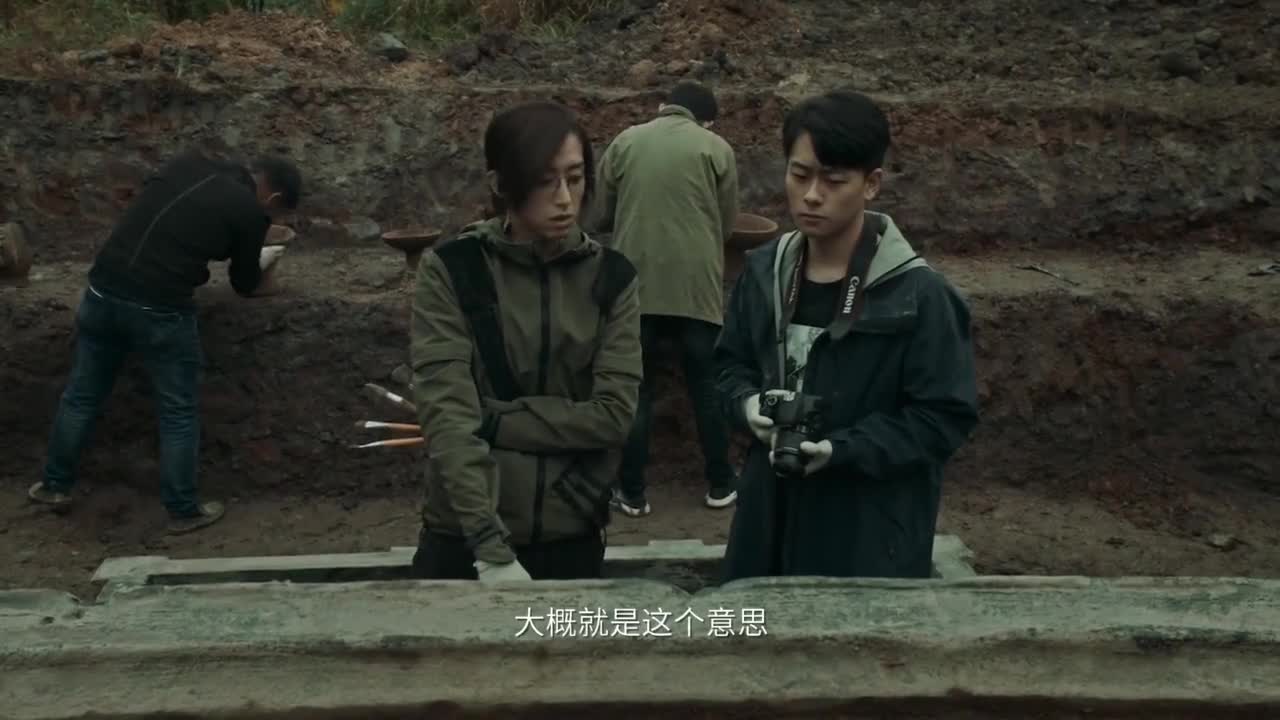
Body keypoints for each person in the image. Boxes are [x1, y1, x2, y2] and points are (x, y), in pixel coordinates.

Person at [713, 90, 979, 580]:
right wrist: (748, 407)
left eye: (834, 181)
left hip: (868, 532)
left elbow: (942, 417)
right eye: (799, 175)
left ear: (871, 184)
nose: (812, 195)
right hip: (767, 517)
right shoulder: (765, 272)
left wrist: (843, 450)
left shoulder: (919, 296)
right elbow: (728, 367)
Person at [409, 100, 643, 583]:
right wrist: (489, 548)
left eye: (575, 179)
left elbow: (614, 415)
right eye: (544, 181)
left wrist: (494, 420)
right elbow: (449, 417)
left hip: (570, 533)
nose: (564, 199)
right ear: (501, 184)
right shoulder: (454, 270)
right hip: (465, 539)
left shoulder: (612, 278)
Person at [27, 149, 302, 534]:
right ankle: (183, 510)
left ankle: (54, 486)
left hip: (101, 291)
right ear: (272, 198)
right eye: (274, 213)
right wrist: (266, 269)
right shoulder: (250, 212)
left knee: (81, 396)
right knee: (178, 411)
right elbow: (244, 283)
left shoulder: (186, 163)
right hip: (159, 310)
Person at [592, 80, 740, 517]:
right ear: (706, 121)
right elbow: (727, 224)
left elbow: (600, 214)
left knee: (637, 389)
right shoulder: (716, 148)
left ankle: (633, 493)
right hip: (697, 290)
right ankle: (721, 485)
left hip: (634, 287)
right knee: (706, 388)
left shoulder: (625, 141)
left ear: (663, 108)